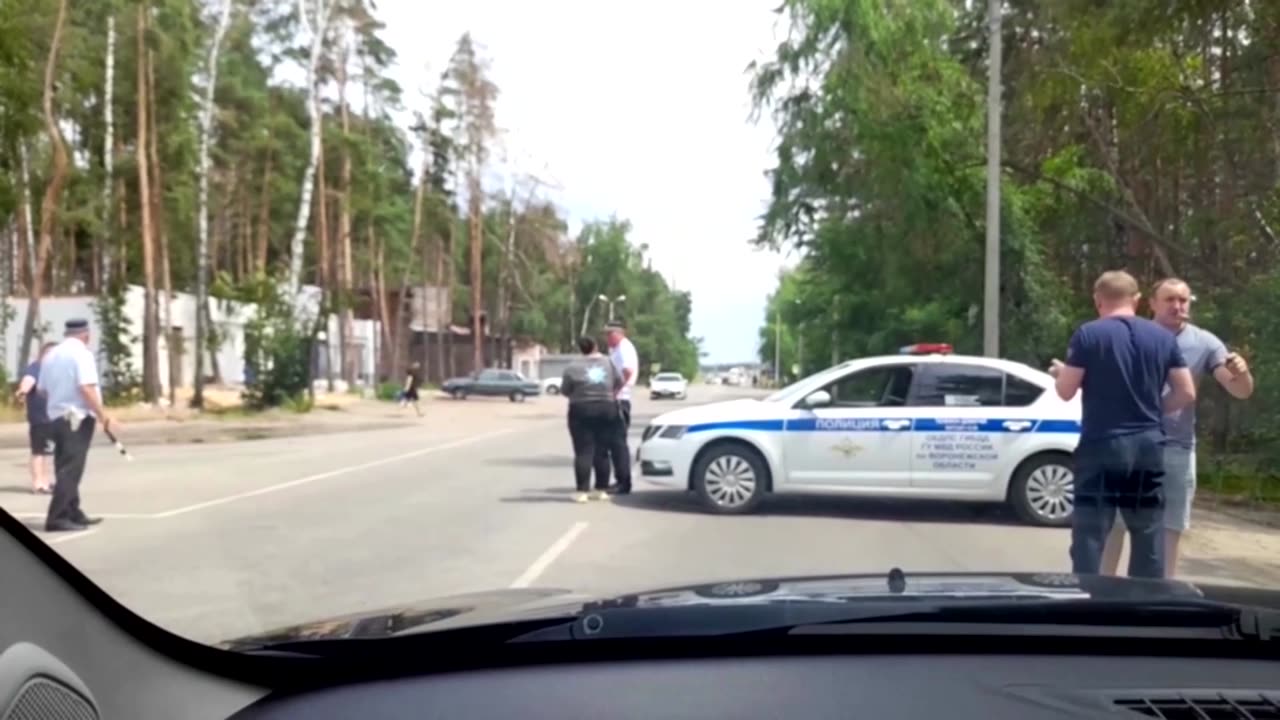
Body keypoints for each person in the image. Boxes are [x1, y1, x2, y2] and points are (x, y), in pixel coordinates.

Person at [1100, 278, 1254, 578]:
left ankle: (1161, 597)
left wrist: (1243, 374)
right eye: (1170, 299)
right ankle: (1101, 590)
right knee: (1114, 523)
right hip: (1128, 443)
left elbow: (1239, 390)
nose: (1178, 306)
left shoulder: (1205, 343)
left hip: (1177, 447)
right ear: (1153, 304)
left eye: (1183, 300)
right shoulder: (1130, 335)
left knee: (1170, 527)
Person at [1049, 270, 1195, 579]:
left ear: (1098, 300)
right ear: (1138, 300)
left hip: (1102, 443)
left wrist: (1061, 373)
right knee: (1148, 529)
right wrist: (1155, 411)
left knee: (1091, 531)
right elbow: (1186, 392)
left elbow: (1065, 391)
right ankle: (1145, 602)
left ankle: (1088, 597)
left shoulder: (1089, 334)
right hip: (1148, 445)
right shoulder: (1163, 337)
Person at [37, 318, 118, 532]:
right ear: (86, 335)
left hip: (55, 417)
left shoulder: (50, 355)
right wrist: (103, 416)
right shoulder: (82, 354)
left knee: (64, 466)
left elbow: (41, 390)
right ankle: (57, 516)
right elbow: (86, 388)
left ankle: (73, 510)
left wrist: (60, 398)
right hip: (77, 418)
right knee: (71, 469)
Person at [560, 336, 629, 503]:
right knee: (602, 450)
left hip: (581, 410)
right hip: (606, 409)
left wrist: (580, 395)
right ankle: (600, 489)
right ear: (596, 346)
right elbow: (620, 381)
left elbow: (565, 390)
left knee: (583, 451)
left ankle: (582, 491)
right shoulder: (608, 362)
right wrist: (608, 393)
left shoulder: (572, 367)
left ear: (580, 349)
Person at [13, 342, 60, 493]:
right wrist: (22, 392)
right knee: (38, 451)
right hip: (39, 418)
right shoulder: (36, 367)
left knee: (46, 452)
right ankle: (38, 483)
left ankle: (45, 480)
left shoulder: (53, 370)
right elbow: (27, 382)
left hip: (51, 417)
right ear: (43, 354)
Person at [603, 319, 639, 495]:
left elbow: (628, 372)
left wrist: (615, 391)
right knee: (613, 442)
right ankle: (619, 479)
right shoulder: (615, 349)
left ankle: (624, 482)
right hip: (615, 400)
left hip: (620, 400)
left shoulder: (624, 348)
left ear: (619, 333)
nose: (606, 337)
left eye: (609, 334)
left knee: (618, 443)